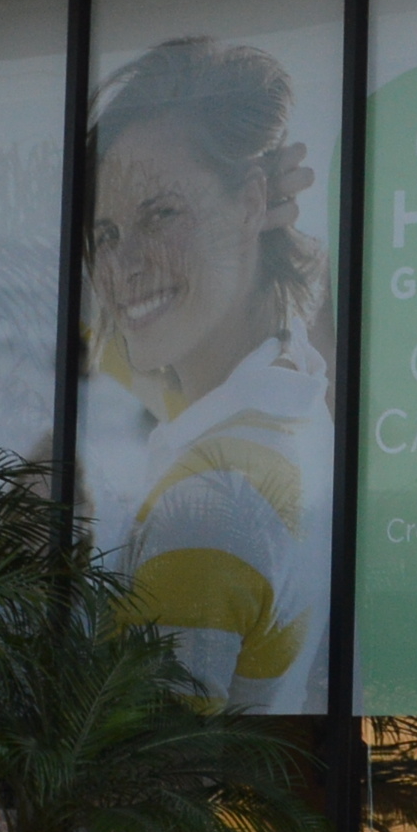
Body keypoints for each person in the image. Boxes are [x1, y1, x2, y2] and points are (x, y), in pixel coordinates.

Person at [79, 34, 329, 711]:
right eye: (105, 234)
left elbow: (151, 779)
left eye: (160, 214)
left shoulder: (212, 498)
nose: (121, 267)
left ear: (254, 201)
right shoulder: (297, 389)